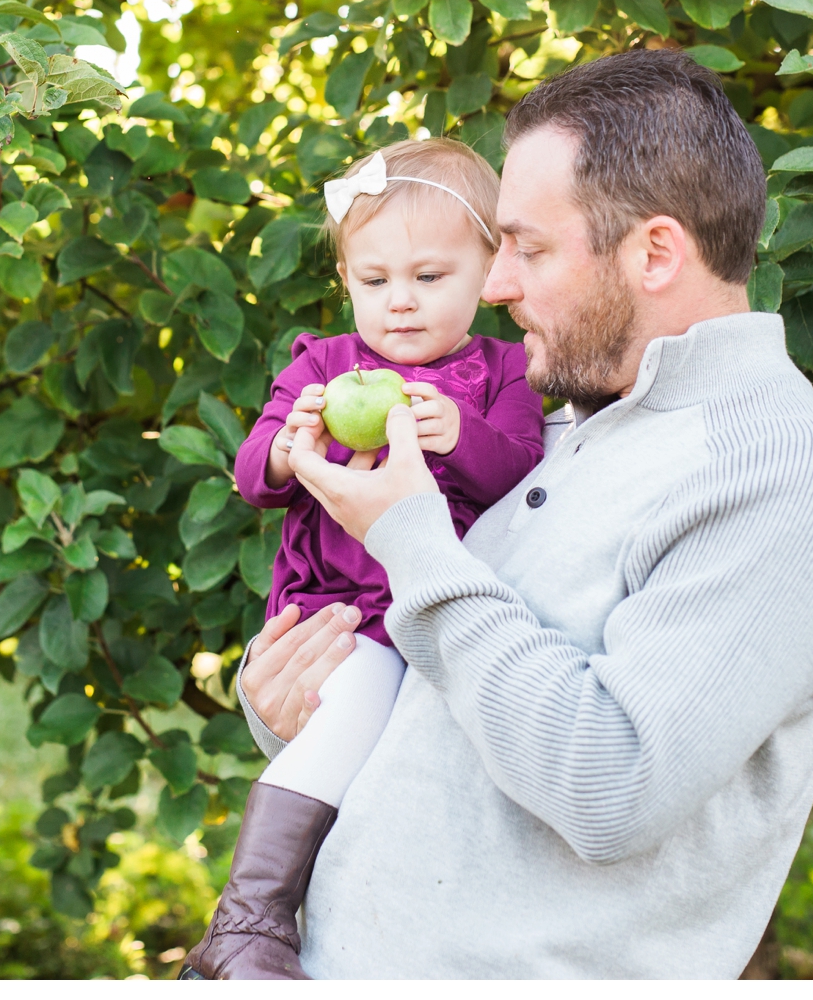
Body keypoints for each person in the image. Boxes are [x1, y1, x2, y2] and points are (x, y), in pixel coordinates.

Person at [236, 49, 813, 978]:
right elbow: (473, 698)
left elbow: (610, 785)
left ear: (655, 252)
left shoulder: (783, 477)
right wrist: (301, 703)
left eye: (530, 248)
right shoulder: (556, 429)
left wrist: (411, 538)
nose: (496, 285)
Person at [181, 139, 546, 979]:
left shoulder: (503, 374)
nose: (401, 303)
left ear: (489, 268)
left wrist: (461, 438)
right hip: (343, 614)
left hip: (441, 610)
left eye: (429, 276)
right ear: (346, 279)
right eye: (374, 281)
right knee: (348, 717)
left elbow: (520, 471)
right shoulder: (324, 365)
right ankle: (249, 918)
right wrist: (289, 444)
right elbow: (253, 476)